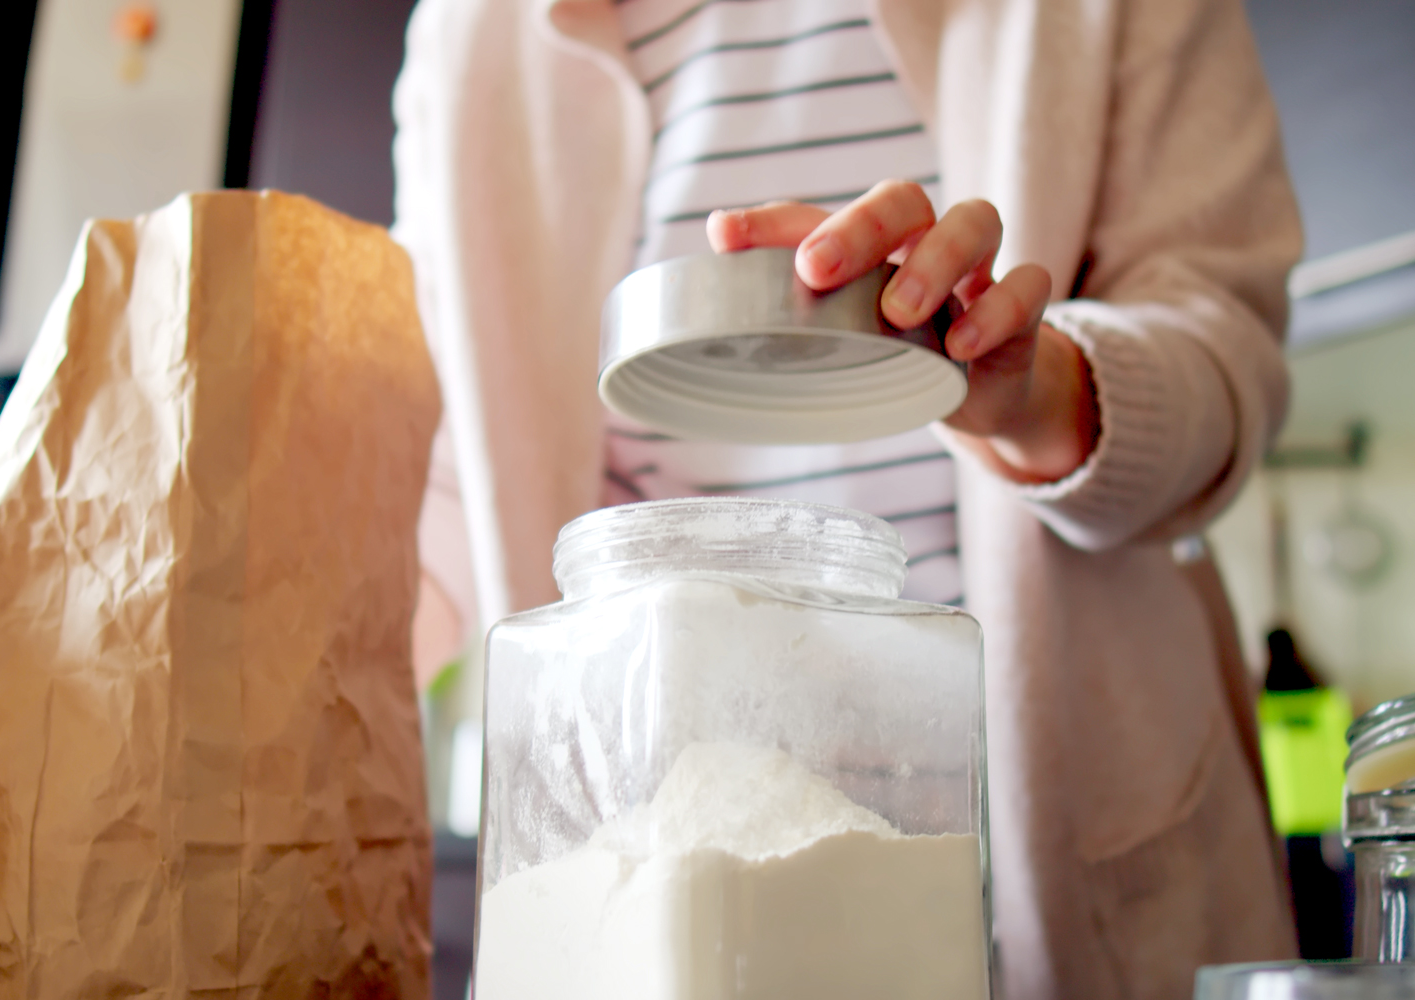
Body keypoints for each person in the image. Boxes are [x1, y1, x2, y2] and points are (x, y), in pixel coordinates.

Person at [391, 0, 1302, 996]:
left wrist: (1032, 391)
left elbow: (1228, 366)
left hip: (1074, 856)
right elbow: (436, 491)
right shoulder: (476, 30)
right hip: (648, 890)